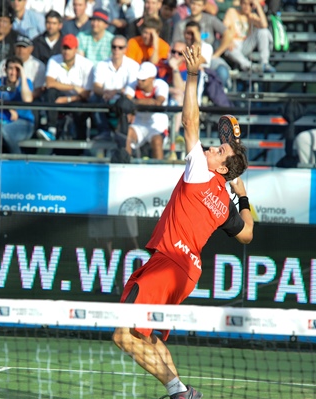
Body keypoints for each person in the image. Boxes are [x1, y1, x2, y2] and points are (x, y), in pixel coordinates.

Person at [112, 45, 253, 399]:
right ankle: (182, 395)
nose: (215, 148)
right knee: (150, 339)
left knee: (122, 334)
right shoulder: (224, 203)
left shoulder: (201, 171)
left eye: (221, 151)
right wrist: (241, 191)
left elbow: (189, 122)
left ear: (220, 167)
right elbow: (248, 235)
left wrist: (192, 75)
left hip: (168, 262)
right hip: (187, 274)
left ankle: (181, 392)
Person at [38, 33, 93, 141]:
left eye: (69, 48)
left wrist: (67, 99)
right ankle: (51, 129)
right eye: (64, 48)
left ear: (76, 49)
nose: (66, 52)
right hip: (61, 96)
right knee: (51, 92)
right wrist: (73, 87)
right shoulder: (54, 60)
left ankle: (81, 139)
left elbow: (86, 94)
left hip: (78, 100)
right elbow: (49, 83)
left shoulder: (87, 64)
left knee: (81, 109)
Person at [0, 56, 35, 153]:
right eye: (10, 68)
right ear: (5, 70)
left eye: (17, 69)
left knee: (5, 131)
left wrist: (22, 75)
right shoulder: (0, 84)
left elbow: (27, 99)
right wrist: (7, 107)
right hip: (2, 119)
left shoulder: (26, 83)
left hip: (22, 121)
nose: (13, 72)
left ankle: (17, 161)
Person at [90, 34, 139, 138]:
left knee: (125, 102)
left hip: (123, 100)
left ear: (125, 49)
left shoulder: (133, 65)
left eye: (120, 47)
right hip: (106, 98)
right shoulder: (101, 65)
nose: (117, 50)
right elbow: (96, 86)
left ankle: (121, 134)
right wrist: (105, 93)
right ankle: (104, 131)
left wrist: (114, 92)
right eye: (114, 47)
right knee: (93, 99)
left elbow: (131, 91)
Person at [124, 61, 169, 159]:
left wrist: (134, 102)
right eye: (138, 78)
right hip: (139, 123)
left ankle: (160, 170)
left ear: (152, 79)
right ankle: (125, 164)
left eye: (143, 80)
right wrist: (150, 101)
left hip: (157, 125)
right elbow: (126, 102)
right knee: (126, 135)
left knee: (157, 141)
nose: (139, 81)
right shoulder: (133, 84)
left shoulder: (161, 85)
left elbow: (158, 102)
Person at [220, 0, 275, 73]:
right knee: (228, 48)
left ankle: (264, 62)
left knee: (264, 31)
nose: (246, 7)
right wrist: (228, 40)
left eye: (249, 5)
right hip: (234, 43)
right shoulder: (232, 12)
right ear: (240, 3)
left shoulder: (252, 16)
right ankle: (250, 66)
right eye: (244, 4)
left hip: (246, 44)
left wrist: (258, 6)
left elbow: (264, 25)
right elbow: (223, 28)